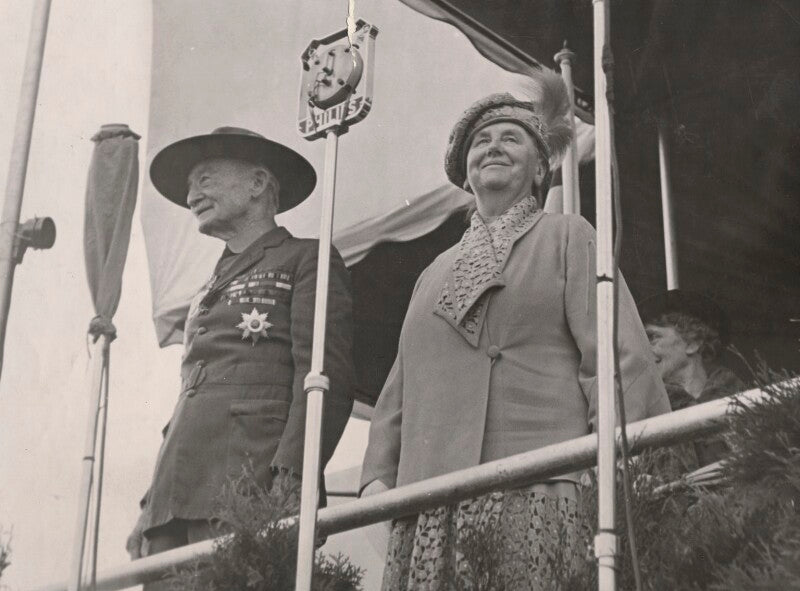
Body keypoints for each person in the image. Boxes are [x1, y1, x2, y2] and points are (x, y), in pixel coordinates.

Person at [359, 72, 670, 589]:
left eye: (510, 138)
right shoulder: (431, 272)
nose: (492, 148)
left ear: (538, 167)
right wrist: (376, 482)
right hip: (430, 502)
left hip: (543, 490)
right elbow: (399, 389)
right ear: (465, 172)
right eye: (481, 141)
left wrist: (615, 465)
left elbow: (616, 357)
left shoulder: (568, 235)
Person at [125, 127, 355, 583]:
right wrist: (149, 506)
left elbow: (324, 378)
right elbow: (190, 399)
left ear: (257, 184)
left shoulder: (305, 259)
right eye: (191, 185)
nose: (192, 194)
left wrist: (295, 480)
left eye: (206, 179)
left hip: (252, 487)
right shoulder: (206, 287)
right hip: (174, 500)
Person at [640, 289, 745, 469]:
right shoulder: (646, 412)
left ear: (692, 343)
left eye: (653, 337)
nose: (643, 350)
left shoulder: (743, 401)